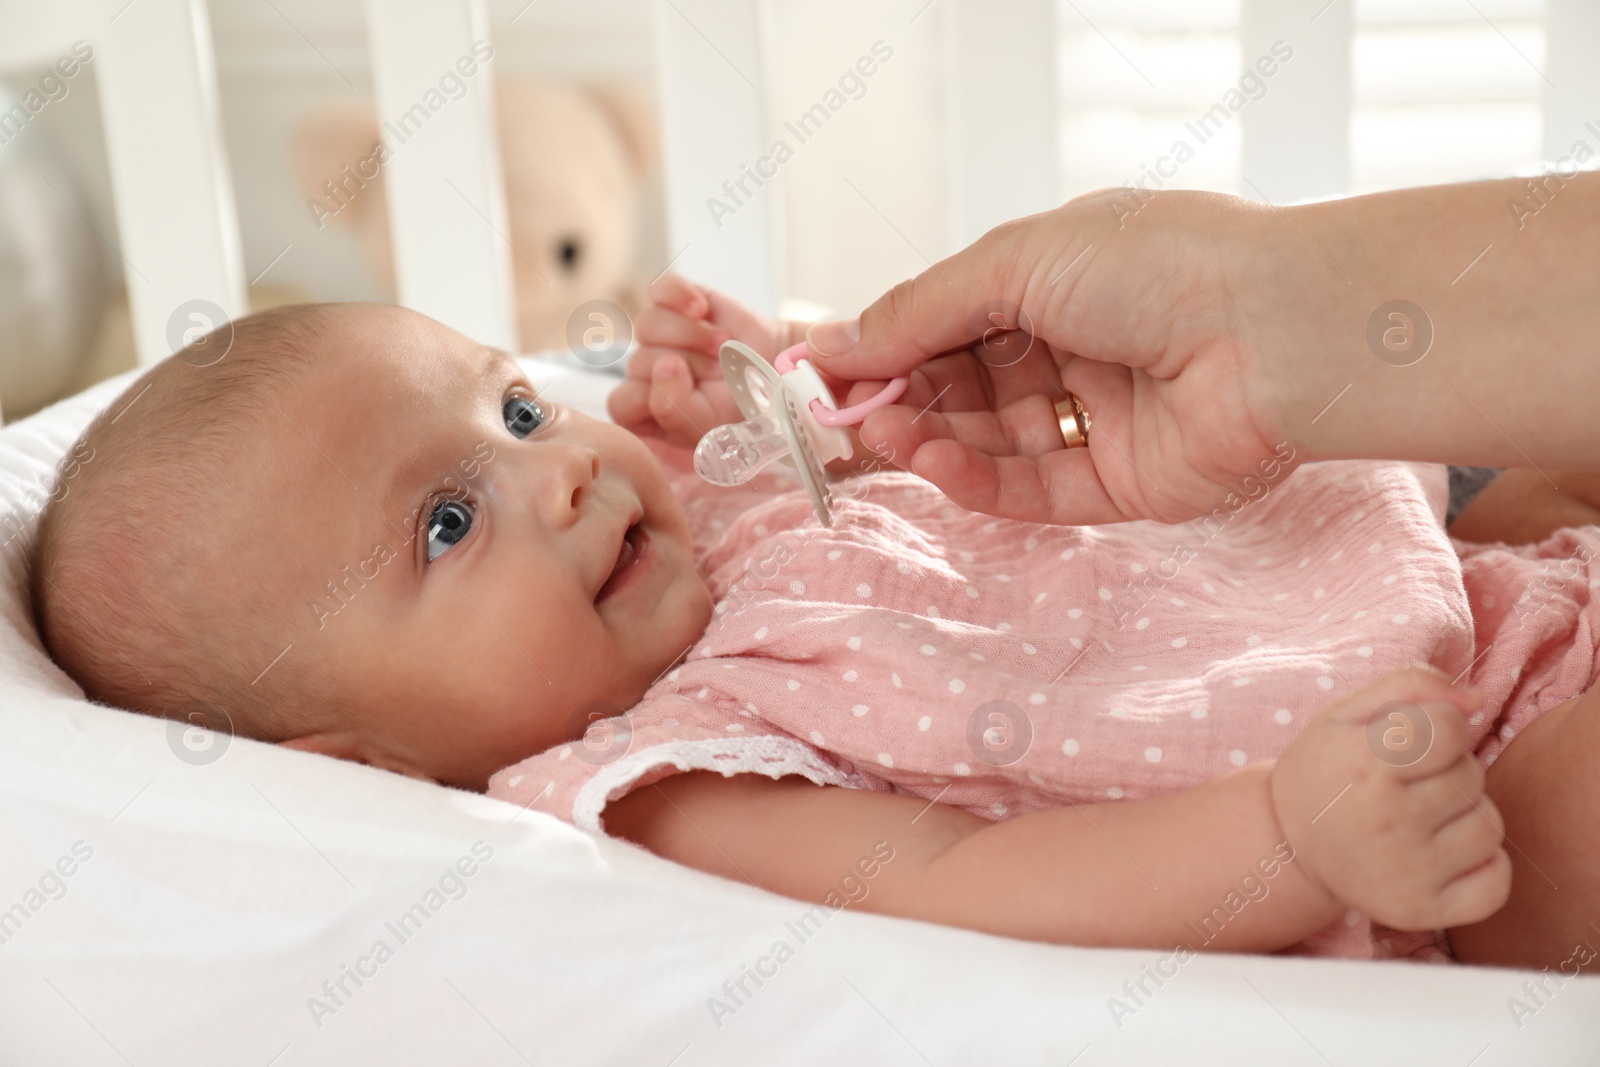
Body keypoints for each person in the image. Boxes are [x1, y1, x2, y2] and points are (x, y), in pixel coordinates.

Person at [29, 301, 1514, 967]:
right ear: (358, 760)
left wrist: (773, 390)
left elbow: (899, 457)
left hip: (1414, 566)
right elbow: (969, 881)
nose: (557, 467)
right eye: (445, 524)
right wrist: (1287, 834)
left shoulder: (689, 512)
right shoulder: (678, 781)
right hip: (1425, 774)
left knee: (1534, 434)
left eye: (519, 405)